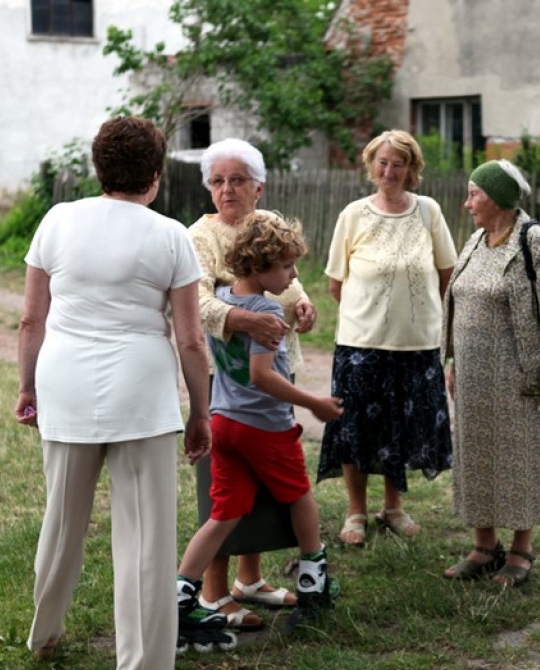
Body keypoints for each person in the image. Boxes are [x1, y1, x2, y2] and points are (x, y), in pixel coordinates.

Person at [15, 116, 211, 670]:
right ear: (155, 175)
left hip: (65, 383)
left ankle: (44, 630)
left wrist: (27, 388)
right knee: (147, 541)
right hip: (142, 392)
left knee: (62, 519)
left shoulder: (57, 220)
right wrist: (200, 413)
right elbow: (192, 339)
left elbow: (32, 318)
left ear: (98, 168)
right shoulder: (170, 234)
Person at [176, 211, 343, 642]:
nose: (292, 275)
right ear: (258, 266)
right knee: (301, 497)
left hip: (224, 423)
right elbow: (263, 377)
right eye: (286, 266)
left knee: (224, 514)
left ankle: (179, 599)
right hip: (263, 427)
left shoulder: (222, 295)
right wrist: (314, 405)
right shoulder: (264, 310)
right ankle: (314, 581)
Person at [189, 138, 318, 627]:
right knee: (224, 489)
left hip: (270, 373)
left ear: (258, 187)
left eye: (237, 180)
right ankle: (213, 592)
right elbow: (198, 305)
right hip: (224, 381)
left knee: (261, 484)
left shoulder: (266, 226)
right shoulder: (197, 237)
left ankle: (251, 580)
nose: (226, 190)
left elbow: (290, 276)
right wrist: (246, 320)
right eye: (218, 181)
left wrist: (302, 302)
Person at [318, 129, 457, 546]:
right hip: (361, 344)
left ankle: (393, 507)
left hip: (416, 344)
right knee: (356, 426)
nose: (389, 171)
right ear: (370, 165)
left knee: (401, 427)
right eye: (382, 162)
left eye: (398, 163)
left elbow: (446, 274)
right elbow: (336, 283)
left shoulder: (428, 212)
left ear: (412, 169)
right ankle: (355, 511)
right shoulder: (354, 214)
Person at [440, 159, 540, 588]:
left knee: (519, 458)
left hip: (519, 375)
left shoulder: (533, 241)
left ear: (496, 198)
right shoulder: (477, 240)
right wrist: (454, 360)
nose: (467, 203)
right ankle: (484, 547)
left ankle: (520, 550)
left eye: (474, 194)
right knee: (477, 455)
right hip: (475, 379)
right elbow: (458, 301)